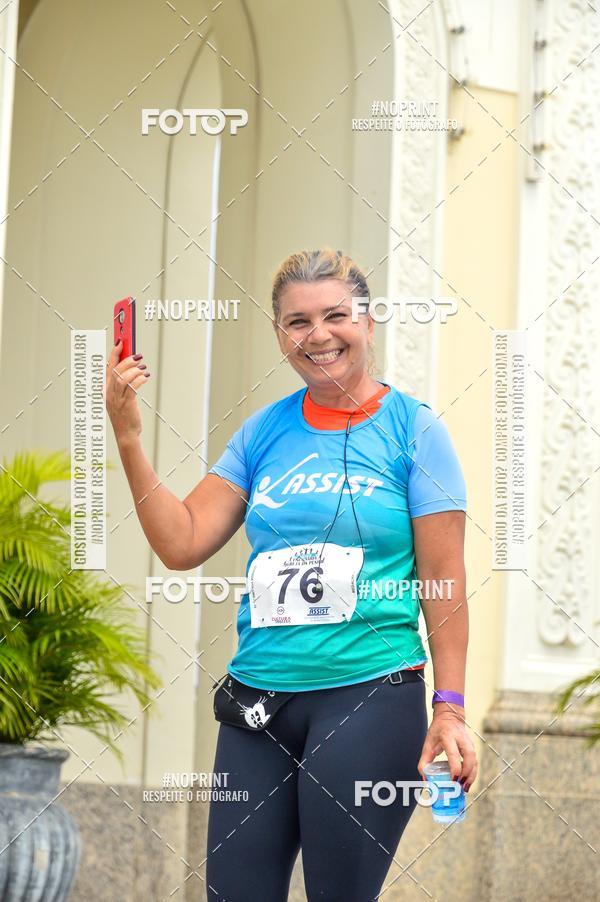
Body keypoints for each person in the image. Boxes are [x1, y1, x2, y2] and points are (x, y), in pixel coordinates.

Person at [105, 248, 478, 902]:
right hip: (258, 703)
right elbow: (180, 542)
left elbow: (443, 585)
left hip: (368, 692)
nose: (319, 335)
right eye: (298, 322)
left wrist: (449, 708)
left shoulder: (415, 432)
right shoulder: (263, 432)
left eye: (336, 315)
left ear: (367, 322)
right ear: (281, 335)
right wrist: (129, 435)